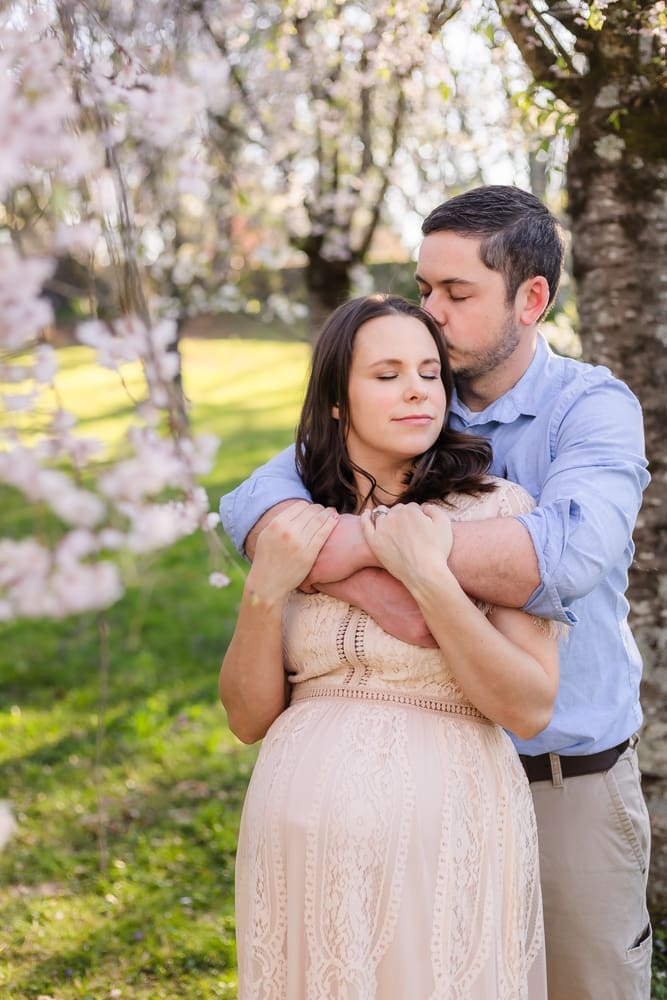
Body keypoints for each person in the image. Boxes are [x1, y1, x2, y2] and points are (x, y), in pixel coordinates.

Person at [219, 186, 652, 1000]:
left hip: (560, 776)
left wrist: (367, 553)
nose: (431, 313)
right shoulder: (407, 392)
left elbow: (560, 559)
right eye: (424, 289)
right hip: (386, 800)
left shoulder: (589, 407)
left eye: (456, 294)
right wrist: (376, 581)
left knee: (581, 986)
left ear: (530, 300)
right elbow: (251, 506)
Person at [220, 294, 560, 999]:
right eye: (386, 374)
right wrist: (265, 594)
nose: (416, 389)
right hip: (297, 844)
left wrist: (429, 579)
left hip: (443, 834)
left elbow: (527, 707)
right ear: (336, 400)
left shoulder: (494, 514)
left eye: (429, 373)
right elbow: (248, 718)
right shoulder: (291, 524)